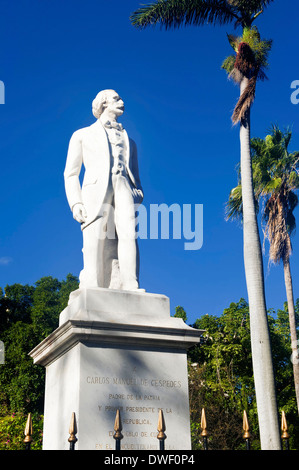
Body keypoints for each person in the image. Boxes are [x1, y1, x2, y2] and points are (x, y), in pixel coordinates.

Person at [64, 89, 144, 291]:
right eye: (117, 99)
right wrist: (76, 203)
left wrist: (139, 191)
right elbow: (71, 174)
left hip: (123, 187)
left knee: (128, 234)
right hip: (94, 191)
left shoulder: (130, 141)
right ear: (103, 104)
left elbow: (134, 172)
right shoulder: (82, 135)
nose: (122, 101)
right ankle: (91, 284)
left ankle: (130, 283)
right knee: (94, 238)